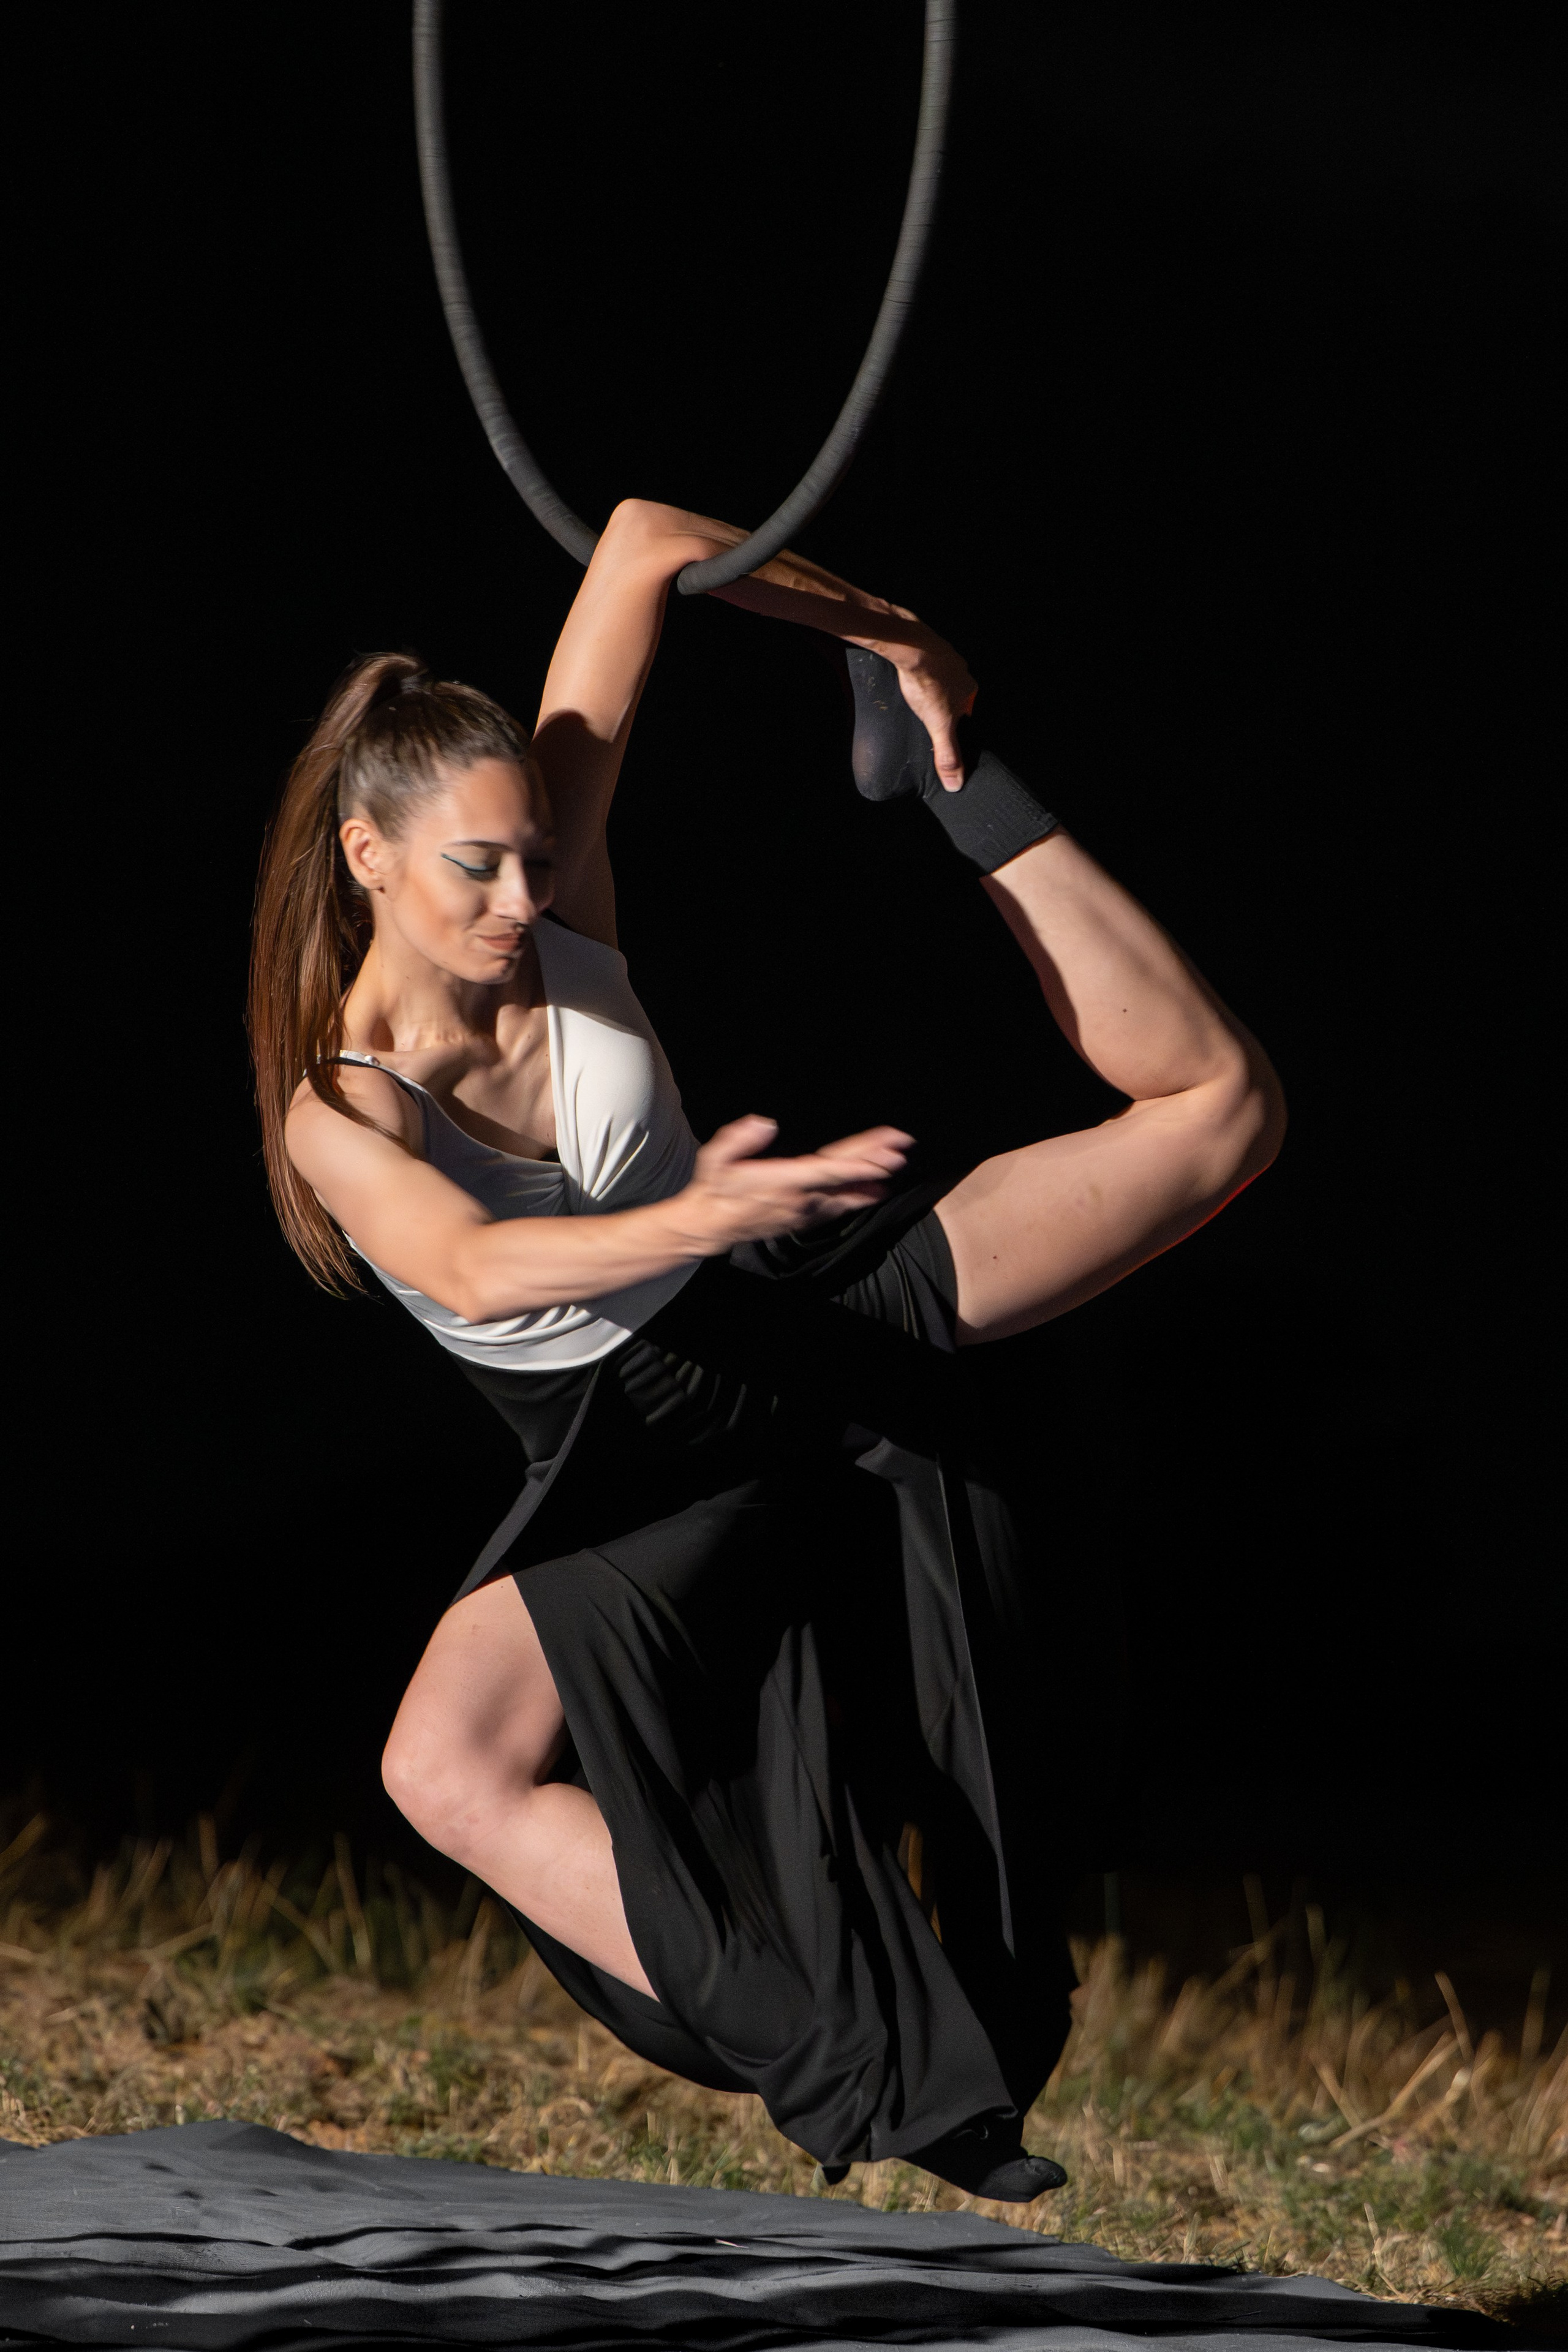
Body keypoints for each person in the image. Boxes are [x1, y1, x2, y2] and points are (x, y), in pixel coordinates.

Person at [249, 499, 1284, 2201]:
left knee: (1221, 1115)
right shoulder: (342, 1106)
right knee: (441, 1767)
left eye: (533, 851)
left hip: (800, 1320)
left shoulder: (552, 883)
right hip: (638, 1437)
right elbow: (482, 1264)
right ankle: (866, 2045)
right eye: (474, 868)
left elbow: (651, 538)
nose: (527, 895)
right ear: (369, 858)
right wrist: (690, 1220)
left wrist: (889, 635)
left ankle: (968, 799)